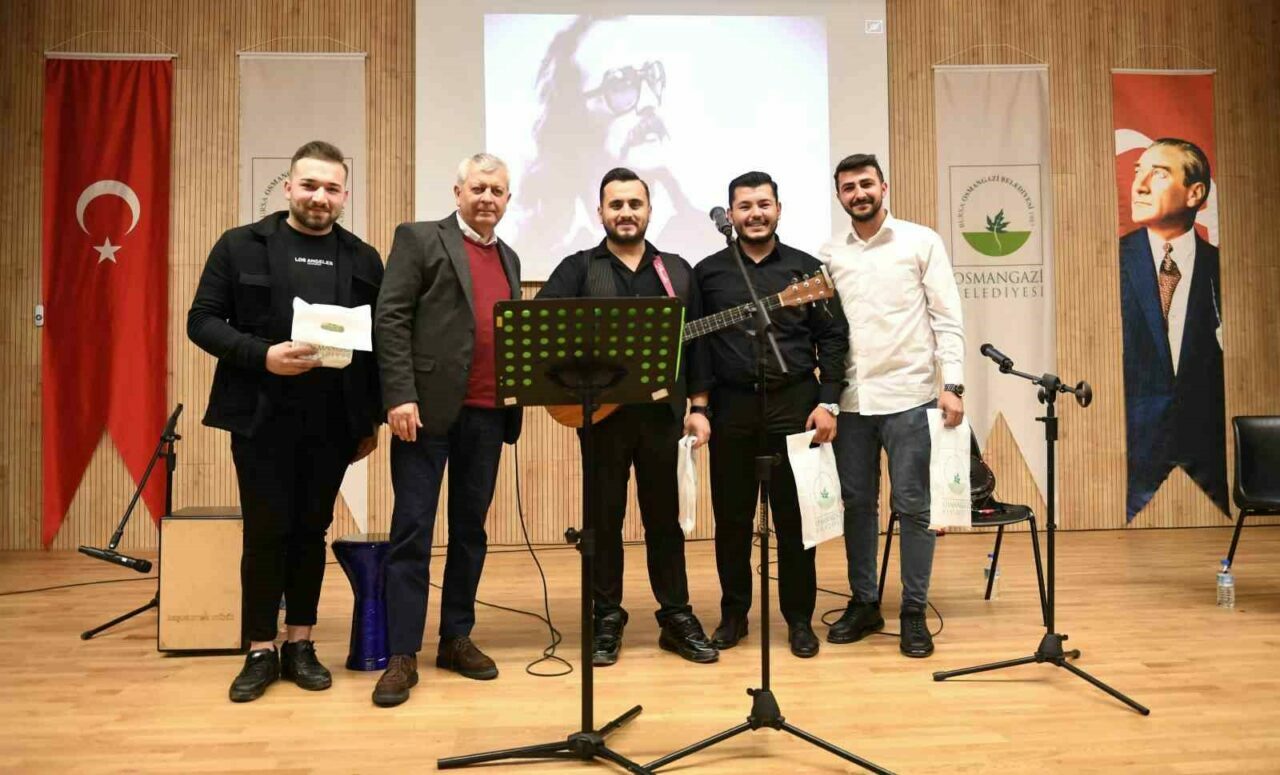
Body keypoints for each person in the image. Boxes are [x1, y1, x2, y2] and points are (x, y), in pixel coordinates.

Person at [187, 140, 383, 702]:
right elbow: (202, 321)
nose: (320, 197)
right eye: (310, 185)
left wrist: (369, 421)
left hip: (333, 421)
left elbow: (378, 345)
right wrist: (263, 355)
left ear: (345, 195)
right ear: (289, 186)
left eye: (332, 188)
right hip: (260, 417)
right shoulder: (240, 245)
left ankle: (300, 642)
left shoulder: (364, 259)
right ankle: (259, 648)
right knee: (265, 530)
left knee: (310, 531)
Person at [537, 167, 717, 667]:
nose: (625, 212)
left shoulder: (676, 270)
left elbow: (698, 347)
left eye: (634, 203)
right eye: (615, 204)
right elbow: (544, 328)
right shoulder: (577, 268)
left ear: (649, 210)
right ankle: (606, 617)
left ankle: (676, 616)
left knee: (665, 521)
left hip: (662, 416)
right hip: (602, 418)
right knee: (603, 520)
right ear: (600, 212)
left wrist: (700, 408)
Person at [371, 153, 523, 707]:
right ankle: (402, 653)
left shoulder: (509, 256)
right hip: (424, 412)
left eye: (497, 191)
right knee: (412, 531)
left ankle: (455, 638)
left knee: (470, 531)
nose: (487, 198)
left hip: (487, 413)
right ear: (458, 192)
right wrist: (399, 395)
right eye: (478, 188)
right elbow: (390, 316)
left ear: (508, 200)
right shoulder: (419, 239)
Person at [695, 171, 849, 659]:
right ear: (730, 214)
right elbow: (697, 346)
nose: (755, 214)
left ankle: (799, 619)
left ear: (778, 209)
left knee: (796, 521)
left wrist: (828, 400)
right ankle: (734, 615)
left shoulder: (806, 270)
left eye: (764, 204)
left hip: (795, 405)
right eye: (744, 206)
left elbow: (834, 338)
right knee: (732, 520)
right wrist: (698, 406)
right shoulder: (708, 273)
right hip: (731, 408)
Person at [818, 153, 965, 659]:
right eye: (848, 187)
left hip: (911, 398)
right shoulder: (829, 254)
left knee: (914, 507)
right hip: (852, 402)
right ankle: (865, 603)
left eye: (866, 184)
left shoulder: (921, 241)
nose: (858, 193)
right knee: (857, 505)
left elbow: (947, 317)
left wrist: (954, 384)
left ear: (884, 186)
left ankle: (913, 612)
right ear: (839, 196)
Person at [1119, 138, 1227, 520]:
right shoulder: (1112, 262)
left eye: (1159, 174)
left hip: (1210, 465)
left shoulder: (1222, 267)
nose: (1139, 186)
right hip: (1133, 460)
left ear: (1195, 193)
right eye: (1138, 173)